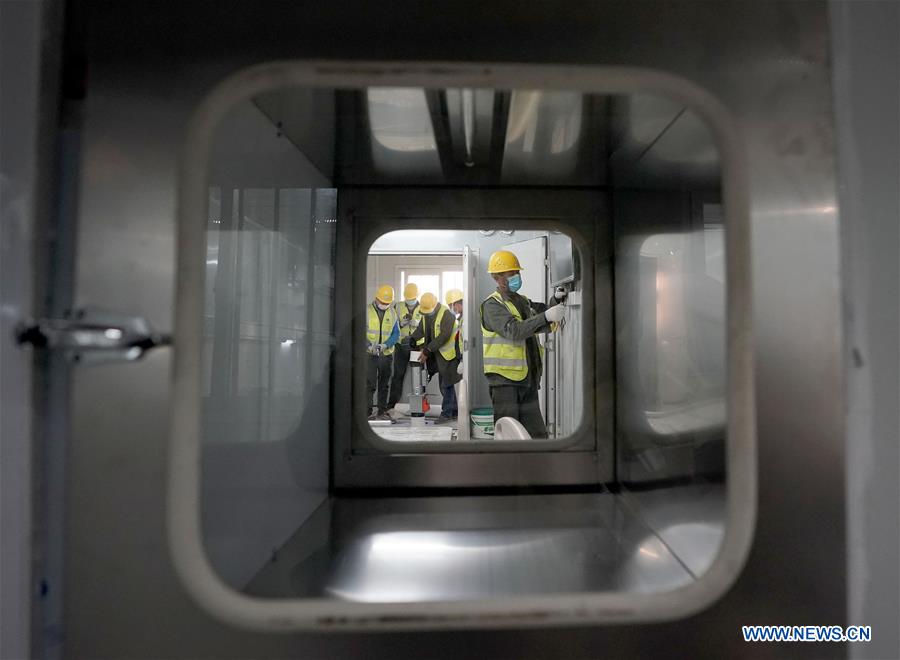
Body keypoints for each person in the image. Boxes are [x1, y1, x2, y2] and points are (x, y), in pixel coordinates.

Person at [480, 250, 567, 438]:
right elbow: (514, 330)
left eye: (517, 272)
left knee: (537, 436)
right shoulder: (492, 305)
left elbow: (541, 315)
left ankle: (536, 467)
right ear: (498, 278)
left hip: (528, 379)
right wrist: (545, 316)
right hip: (504, 383)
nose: (516, 277)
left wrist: (556, 301)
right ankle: (506, 468)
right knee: (510, 437)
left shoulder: (521, 301)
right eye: (511, 273)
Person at [409, 292, 460, 424]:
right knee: (444, 384)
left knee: (446, 384)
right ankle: (454, 411)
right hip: (435, 355)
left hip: (447, 355)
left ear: (435, 304)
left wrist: (427, 350)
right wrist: (413, 338)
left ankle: (447, 413)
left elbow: (444, 336)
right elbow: (421, 329)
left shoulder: (447, 314)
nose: (426, 314)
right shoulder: (426, 314)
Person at [365, 284, 400, 421]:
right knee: (369, 384)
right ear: (376, 299)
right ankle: (367, 412)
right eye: (383, 302)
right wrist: (369, 345)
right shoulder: (366, 311)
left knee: (384, 384)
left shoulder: (392, 313)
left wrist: (385, 345)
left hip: (385, 354)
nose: (384, 304)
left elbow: (396, 334)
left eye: (387, 302)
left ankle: (381, 411)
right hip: (369, 354)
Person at [388, 282, 422, 408]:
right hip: (401, 346)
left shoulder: (423, 306)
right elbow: (391, 326)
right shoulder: (398, 306)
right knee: (397, 376)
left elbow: (427, 327)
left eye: (412, 299)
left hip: (417, 347)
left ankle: (419, 406)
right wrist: (401, 324)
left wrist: (417, 323)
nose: (410, 301)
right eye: (408, 298)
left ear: (416, 296)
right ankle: (392, 406)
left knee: (418, 377)